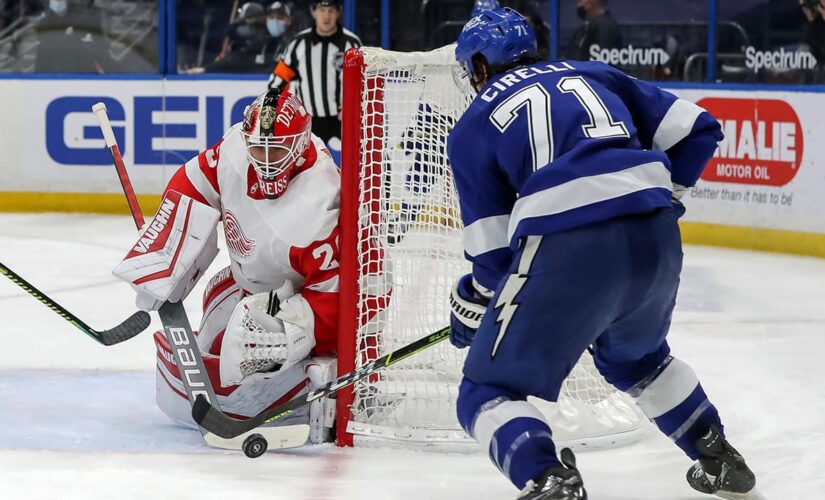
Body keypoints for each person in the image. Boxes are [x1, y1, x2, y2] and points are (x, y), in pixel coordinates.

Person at [447, 8, 758, 499]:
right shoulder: (592, 72)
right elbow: (698, 129)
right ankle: (717, 454)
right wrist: (662, 196)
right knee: (639, 362)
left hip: (570, 245)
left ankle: (547, 478)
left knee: (485, 390)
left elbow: (494, 262)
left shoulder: (471, 126)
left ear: (480, 66)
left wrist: (473, 306)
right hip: (654, 231)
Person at [113, 89, 342, 445]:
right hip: (245, 282)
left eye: (277, 150)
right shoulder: (237, 145)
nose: (265, 161)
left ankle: (312, 391)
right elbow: (196, 182)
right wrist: (167, 246)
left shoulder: (321, 201)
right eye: (258, 149)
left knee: (245, 347)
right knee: (209, 345)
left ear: (300, 145)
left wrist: (294, 330)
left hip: (297, 297)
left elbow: (339, 296)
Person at [268, 0, 361, 144]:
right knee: (304, 164)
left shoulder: (352, 44)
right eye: (322, 10)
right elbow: (278, 79)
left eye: (331, 10)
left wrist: (354, 106)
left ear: (338, 13)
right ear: (313, 12)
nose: (326, 16)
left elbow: (363, 82)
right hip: (309, 119)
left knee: (358, 161)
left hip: (344, 118)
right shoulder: (298, 44)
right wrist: (275, 108)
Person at [185, 2, 293, 74]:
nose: (274, 21)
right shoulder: (263, 42)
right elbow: (237, 59)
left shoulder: (295, 43)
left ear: (289, 20)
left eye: (279, 18)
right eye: (271, 17)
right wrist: (206, 69)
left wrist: (257, 65)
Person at [33, 0, 112, 73]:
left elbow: (100, 52)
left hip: (81, 76)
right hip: (53, 78)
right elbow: (41, 57)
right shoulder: (44, 24)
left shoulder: (82, 20)